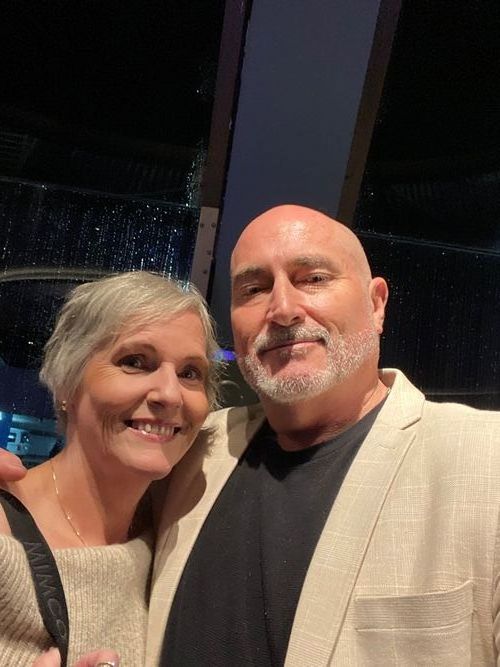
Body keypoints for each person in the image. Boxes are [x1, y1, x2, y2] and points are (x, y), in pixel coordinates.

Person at [4, 205, 500, 666]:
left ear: (376, 304)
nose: (283, 309)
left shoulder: (484, 459)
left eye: (313, 279)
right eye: (254, 289)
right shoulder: (195, 451)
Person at [0, 271, 220, 666]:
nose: (170, 395)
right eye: (135, 362)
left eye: (190, 373)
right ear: (67, 383)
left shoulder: (170, 541)